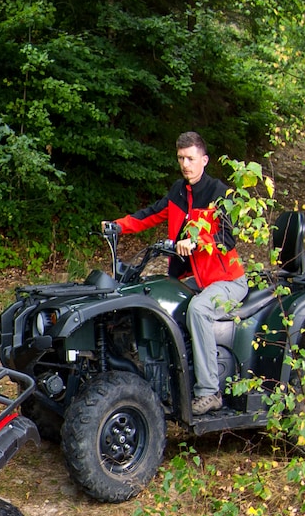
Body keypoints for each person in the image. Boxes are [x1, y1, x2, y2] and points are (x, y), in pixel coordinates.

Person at [104, 131, 247, 415]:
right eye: (181, 158)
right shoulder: (178, 192)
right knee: (156, 299)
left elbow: (228, 238)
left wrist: (196, 241)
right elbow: (150, 214)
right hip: (193, 278)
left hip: (227, 280)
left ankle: (209, 392)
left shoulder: (220, 193)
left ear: (204, 160)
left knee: (198, 310)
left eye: (191, 158)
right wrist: (118, 226)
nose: (185, 164)